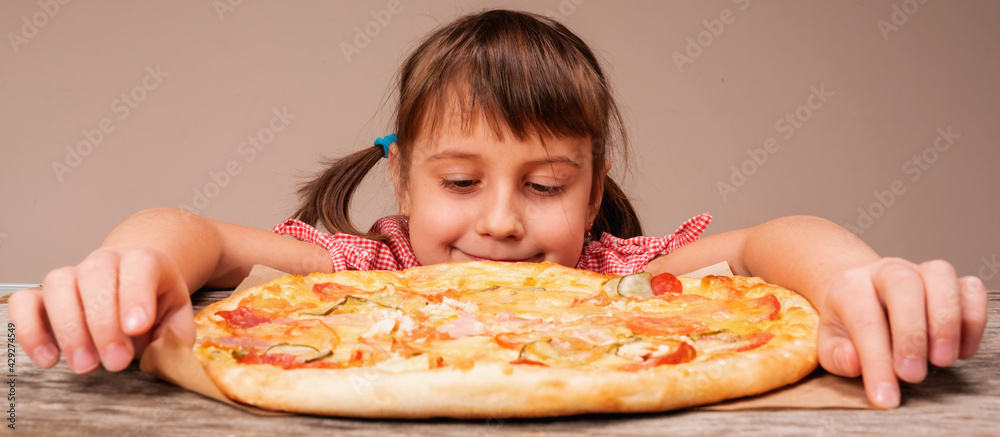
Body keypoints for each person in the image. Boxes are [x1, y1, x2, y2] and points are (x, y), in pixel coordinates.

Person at [10, 9, 986, 410]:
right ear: (401, 186)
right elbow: (203, 237)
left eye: (547, 184)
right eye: (462, 181)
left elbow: (776, 240)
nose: (504, 222)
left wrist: (857, 277)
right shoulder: (359, 281)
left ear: (594, 189)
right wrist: (130, 262)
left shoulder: (628, 290)